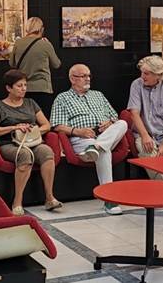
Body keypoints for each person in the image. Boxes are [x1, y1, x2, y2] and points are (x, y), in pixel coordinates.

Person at [50, 64, 129, 215]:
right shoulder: (62, 98)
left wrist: (109, 123)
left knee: (122, 123)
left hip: (105, 135)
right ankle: (109, 199)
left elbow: (114, 116)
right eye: (83, 76)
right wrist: (78, 131)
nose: (88, 79)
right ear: (73, 79)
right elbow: (57, 126)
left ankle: (96, 148)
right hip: (82, 139)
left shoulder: (98, 95)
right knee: (104, 151)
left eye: (89, 76)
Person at [0, 70, 62, 215]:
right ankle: (17, 201)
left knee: (47, 152)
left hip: (32, 141)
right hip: (9, 144)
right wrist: (14, 128)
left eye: (25, 85)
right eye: (19, 86)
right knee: (25, 155)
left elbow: (46, 125)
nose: (24, 89)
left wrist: (33, 129)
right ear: (9, 88)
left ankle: (49, 197)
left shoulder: (31, 103)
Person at [10, 17, 61, 114]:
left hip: (23, 88)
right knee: (42, 118)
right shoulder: (45, 44)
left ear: (27, 28)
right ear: (41, 29)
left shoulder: (18, 43)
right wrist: (49, 46)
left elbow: (12, 64)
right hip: (42, 87)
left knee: (25, 117)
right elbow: (56, 64)